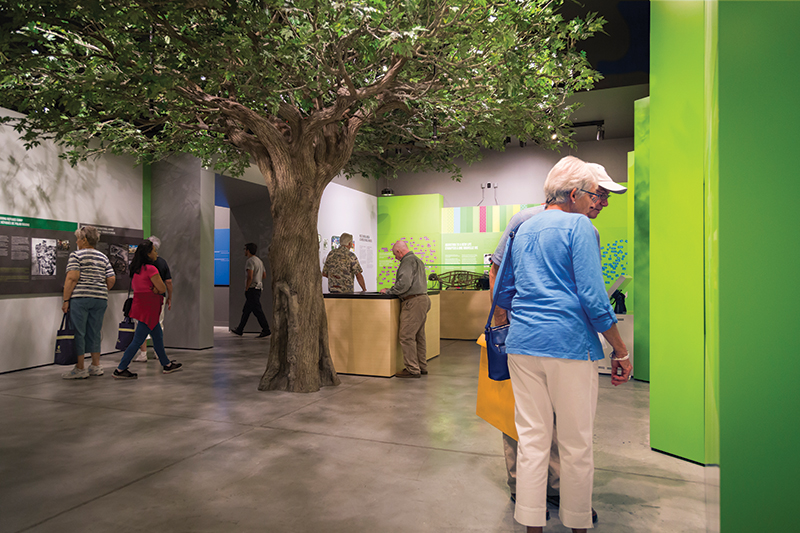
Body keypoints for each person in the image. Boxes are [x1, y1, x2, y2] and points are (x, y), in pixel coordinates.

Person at [499, 157, 633, 533]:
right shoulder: (579, 227)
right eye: (595, 195)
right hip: (570, 347)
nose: (599, 203)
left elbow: (502, 290)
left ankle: (531, 523)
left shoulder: (522, 227)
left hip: (522, 345)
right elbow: (593, 298)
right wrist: (620, 349)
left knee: (532, 440)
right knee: (575, 443)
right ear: (574, 195)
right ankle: (576, 523)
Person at [114, 240, 182, 379]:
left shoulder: (136, 269)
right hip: (150, 307)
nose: (156, 253)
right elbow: (162, 288)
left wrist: (155, 289)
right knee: (138, 339)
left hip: (141, 305)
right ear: (148, 253)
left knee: (157, 336)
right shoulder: (151, 269)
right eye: (154, 251)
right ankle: (120, 369)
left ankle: (166, 364)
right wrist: (157, 289)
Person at [60, 226, 116, 379]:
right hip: (100, 299)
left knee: (79, 332)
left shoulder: (76, 255)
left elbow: (72, 278)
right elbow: (111, 278)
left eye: (78, 238)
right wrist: (100, 289)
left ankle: (80, 368)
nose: (76, 242)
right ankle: (96, 365)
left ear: (84, 240)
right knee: (95, 331)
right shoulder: (102, 257)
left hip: (81, 298)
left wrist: (66, 300)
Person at [380, 241, 430, 378]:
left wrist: (389, 291)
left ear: (399, 252)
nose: (395, 258)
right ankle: (421, 366)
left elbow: (404, 283)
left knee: (406, 336)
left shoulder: (407, 262)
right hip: (423, 300)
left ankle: (412, 369)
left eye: (395, 254)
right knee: (419, 336)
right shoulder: (418, 260)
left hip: (413, 302)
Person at [133, 235, 173, 362]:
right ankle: (158, 352)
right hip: (157, 301)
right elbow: (168, 283)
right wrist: (169, 297)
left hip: (141, 301)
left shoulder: (138, 266)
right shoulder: (161, 263)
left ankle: (143, 353)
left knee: (141, 326)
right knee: (158, 324)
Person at [231, 242, 271, 338]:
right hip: (258, 288)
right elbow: (264, 275)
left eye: (245, 249)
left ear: (248, 250)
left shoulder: (250, 261)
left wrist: (247, 288)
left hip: (252, 289)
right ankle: (240, 329)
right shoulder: (259, 261)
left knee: (257, 310)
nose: (244, 251)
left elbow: (250, 276)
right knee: (247, 310)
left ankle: (266, 329)